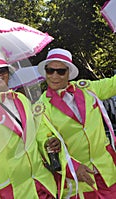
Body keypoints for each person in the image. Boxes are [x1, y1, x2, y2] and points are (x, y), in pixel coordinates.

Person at [35, 48, 116, 198]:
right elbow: (43, 142)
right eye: (50, 70)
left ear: (69, 73)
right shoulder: (40, 108)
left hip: (108, 173)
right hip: (78, 182)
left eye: (60, 72)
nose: (54, 76)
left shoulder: (88, 88)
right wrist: (73, 167)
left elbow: (113, 84)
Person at [0, 51, 57, 198]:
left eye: (2, 70)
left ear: (9, 73)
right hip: (11, 187)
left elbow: (36, 130)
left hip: (39, 181)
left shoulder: (22, 99)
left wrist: (47, 142)